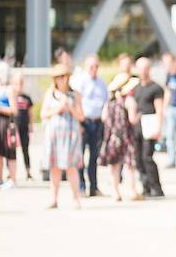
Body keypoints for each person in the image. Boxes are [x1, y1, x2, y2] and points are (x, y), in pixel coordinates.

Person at [41, 63, 83, 209]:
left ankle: (76, 198)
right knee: (55, 168)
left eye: (64, 76)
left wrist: (69, 107)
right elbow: (43, 114)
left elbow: (81, 116)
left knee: (71, 167)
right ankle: (54, 199)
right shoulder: (50, 93)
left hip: (70, 134)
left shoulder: (75, 94)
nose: (62, 80)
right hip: (54, 135)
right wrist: (58, 108)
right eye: (59, 77)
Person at [101, 74, 142, 201]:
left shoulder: (110, 101)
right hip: (126, 136)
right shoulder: (129, 100)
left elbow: (103, 117)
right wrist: (139, 115)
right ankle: (132, 191)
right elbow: (132, 119)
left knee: (114, 165)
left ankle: (115, 192)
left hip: (113, 136)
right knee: (130, 165)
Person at [74, 55, 108, 196]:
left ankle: (94, 187)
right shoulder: (81, 81)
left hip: (97, 122)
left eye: (96, 66)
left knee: (94, 156)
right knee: (80, 156)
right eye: (91, 66)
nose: (94, 69)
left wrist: (104, 114)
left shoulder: (101, 83)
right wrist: (80, 121)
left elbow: (106, 100)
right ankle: (81, 186)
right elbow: (77, 102)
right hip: (84, 122)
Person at [132, 57, 165, 197]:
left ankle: (156, 187)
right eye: (140, 68)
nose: (143, 71)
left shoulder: (156, 88)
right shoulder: (136, 87)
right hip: (138, 127)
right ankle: (145, 186)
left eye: (145, 68)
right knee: (138, 158)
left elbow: (159, 108)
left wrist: (159, 127)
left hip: (150, 125)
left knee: (147, 157)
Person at [8, 72, 32, 183]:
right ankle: (11, 172)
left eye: (20, 84)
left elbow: (30, 114)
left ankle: (28, 171)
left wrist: (31, 126)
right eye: (16, 84)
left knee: (25, 149)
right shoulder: (11, 96)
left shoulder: (27, 98)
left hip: (24, 127)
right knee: (12, 150)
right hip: (14, 127)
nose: (19, 86)